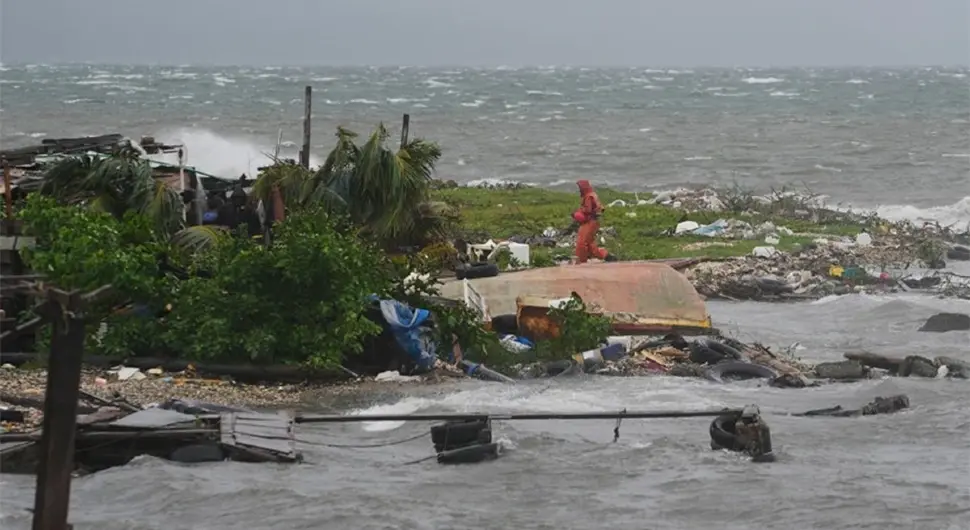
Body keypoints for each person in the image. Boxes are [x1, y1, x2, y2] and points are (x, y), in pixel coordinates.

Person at [573, 180, 616, 263]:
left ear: (584, 188)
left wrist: (577, 214)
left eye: (580, 188)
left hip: (589, 222)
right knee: (590, 243)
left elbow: (588, 210)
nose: (579, 190)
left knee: (581, 242)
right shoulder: (593, 195)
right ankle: (606, 256)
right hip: (594, 222)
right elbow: (601, 208)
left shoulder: (589, 196)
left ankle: (581, 260)